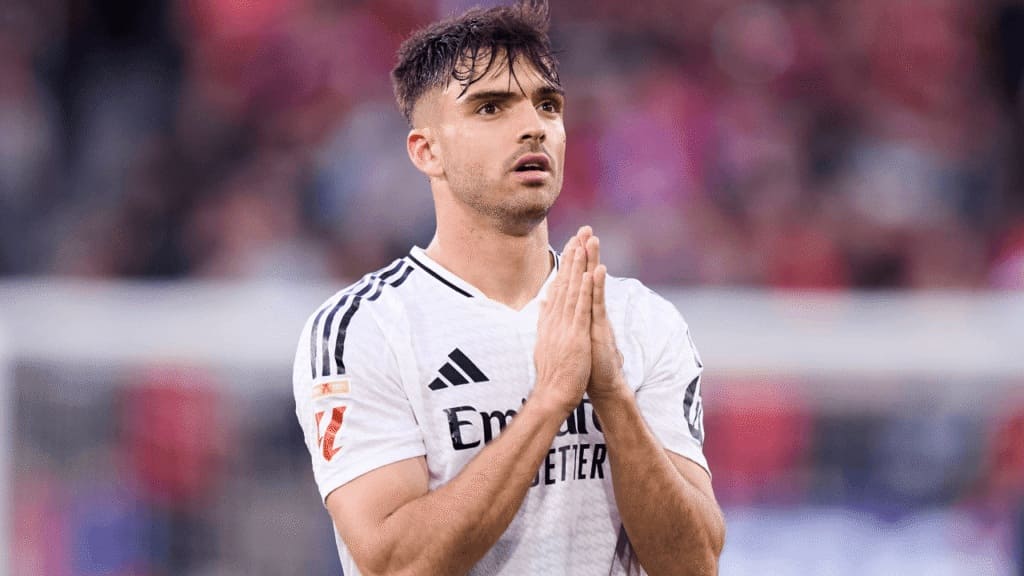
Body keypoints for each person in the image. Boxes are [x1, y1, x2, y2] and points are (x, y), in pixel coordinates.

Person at [292, 1, 725, 574]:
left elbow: (695, 564)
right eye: (491, 107)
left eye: (548, 105)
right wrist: (550, 401)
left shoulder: (640, 319)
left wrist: (613, 397)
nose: (534, 126)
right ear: (427, 151)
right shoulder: (365, 328)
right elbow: (395, 563)